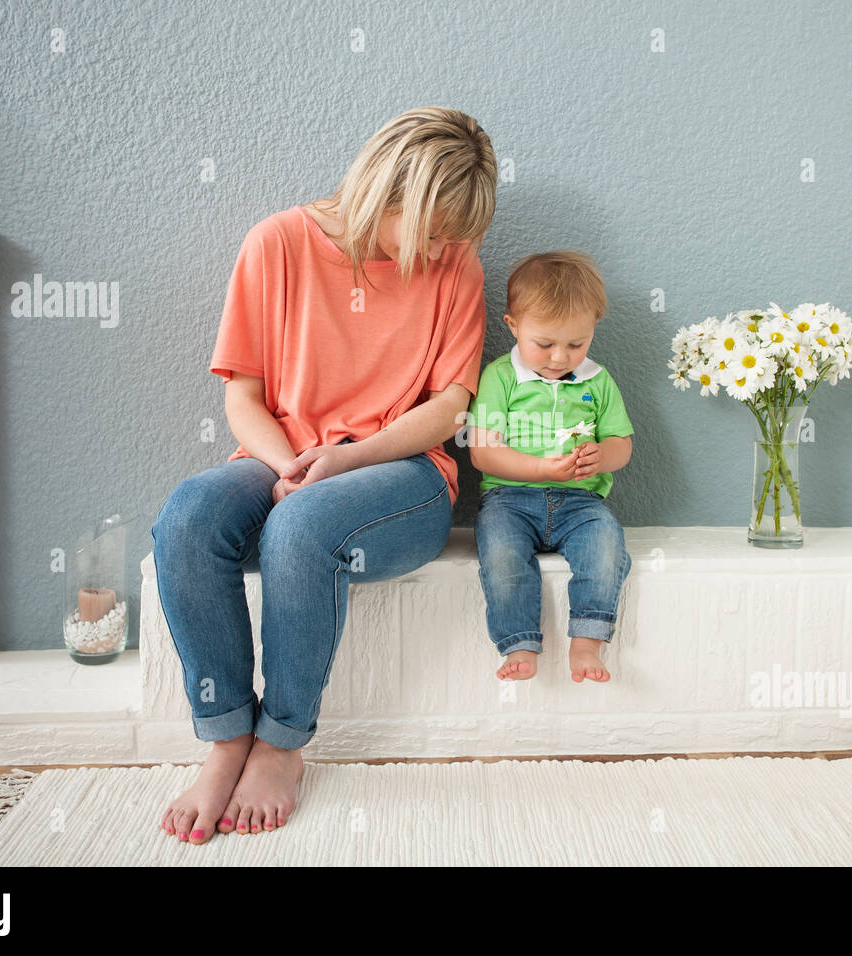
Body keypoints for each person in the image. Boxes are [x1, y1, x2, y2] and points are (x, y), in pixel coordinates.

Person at [151, 107, 497, 845]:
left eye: (457, 236)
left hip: (400, 474)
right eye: (435, 230)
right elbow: (242, 396)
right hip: (284, 453)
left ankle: (281, 743)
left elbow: (449, 409)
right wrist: (288, 464)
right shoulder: (276, 243)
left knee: (303, 526)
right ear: (386, 190)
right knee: (187, 518)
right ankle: (226, 740)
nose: (447, 249)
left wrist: (342, 460)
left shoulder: (455, 262)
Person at [465, 251, 634, 683]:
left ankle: (588, 639)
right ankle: (520, 641)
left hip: (581, 502)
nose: (560, 357)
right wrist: (541, 470)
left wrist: (604, 454)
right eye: (545, 344)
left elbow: (622, 444)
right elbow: (483, 452)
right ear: (513, 326)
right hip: (510, 499)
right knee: (501, 554)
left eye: (576, 344)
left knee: (606, 544)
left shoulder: (598, 380)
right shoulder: (500, 377)